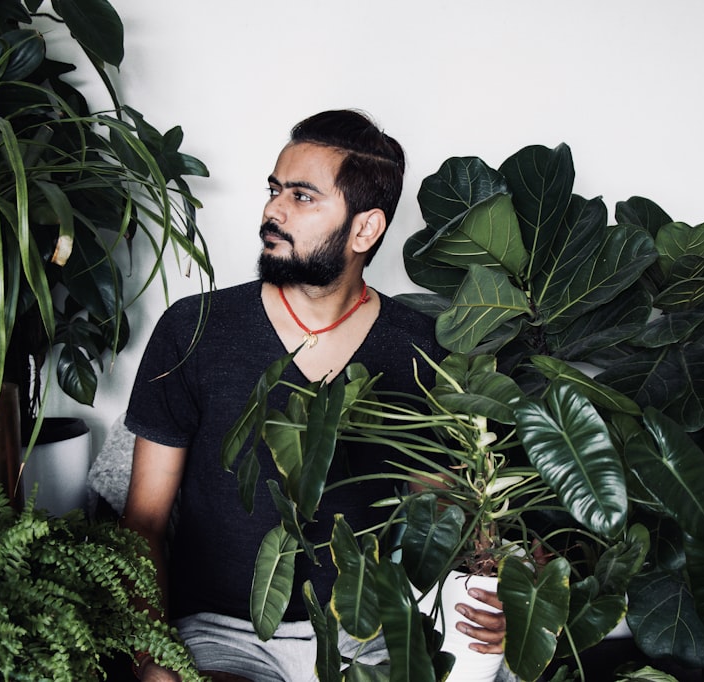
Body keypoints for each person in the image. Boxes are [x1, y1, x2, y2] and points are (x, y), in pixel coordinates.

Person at [120, 110, 505, 682]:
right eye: (275, 190)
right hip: (224, 638)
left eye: (302, 197)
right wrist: (154, 659)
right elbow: (143, 523)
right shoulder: (194, 330)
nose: (273, 211)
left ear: (365, 229)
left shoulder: (420, 350)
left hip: (366, 638)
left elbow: (439, 517)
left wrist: (490, 584)